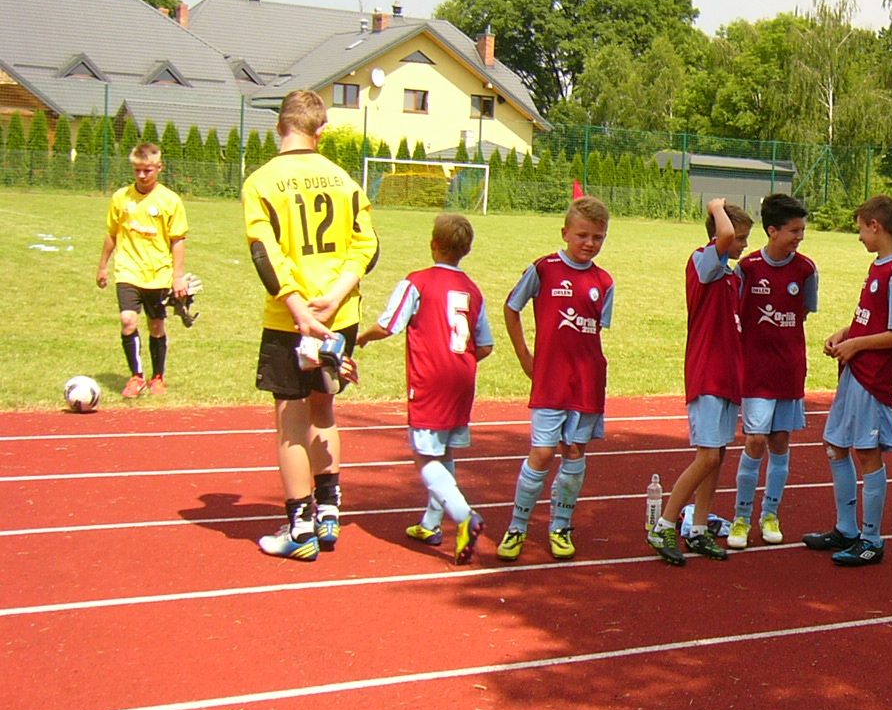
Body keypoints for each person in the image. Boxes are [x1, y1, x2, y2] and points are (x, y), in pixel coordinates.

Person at [242, 90, 379, 561]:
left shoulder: (261, 181)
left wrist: (299, 308)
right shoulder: (344, 179)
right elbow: (367, 247)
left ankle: (301, 529)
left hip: (290, 321)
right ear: (321, 131)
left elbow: (265, 253)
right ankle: (329, 515)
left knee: (290, 421)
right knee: (324, 410)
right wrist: (336, 295)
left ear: (279, 127)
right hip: (341, 316)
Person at [357, 213, 492, 563]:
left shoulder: (417, 282)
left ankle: (464, 516)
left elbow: (389, 324)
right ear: (467, 250)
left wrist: (362, 337)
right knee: (444, 452)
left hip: (431, 379)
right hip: (463, 378)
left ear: (433, 244)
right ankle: (431, 524)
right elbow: (486, 345)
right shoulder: (473, 289)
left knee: (424, 455)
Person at [802, 195, 892, 567]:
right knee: (835, 445)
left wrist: (857, 345)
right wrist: (845, 333)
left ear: (875, 226)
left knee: (867, 453)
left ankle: (871, 539)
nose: (860, 237)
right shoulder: (878, 267)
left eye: (861, 229)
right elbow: (871, 318)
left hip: (871, 377)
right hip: (854, 372)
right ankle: (846, 528)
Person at [501, 195, 615, 562]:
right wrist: (525, 356)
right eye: (582, 235)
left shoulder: (604, 281)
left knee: (575, 452)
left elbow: (593, 331)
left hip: (587, 381)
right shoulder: (544, 269)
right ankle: (517, 526)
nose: (589, 243)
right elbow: (511, 307)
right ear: (565, 232)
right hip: (551, 380)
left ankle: (561, 526)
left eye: (598, 237)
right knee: (542, 452)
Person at [647, 199, 753, 565]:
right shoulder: (703, 263)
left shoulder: (732, 277)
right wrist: (717, 208)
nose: (743, 245)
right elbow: (722, 234)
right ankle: (663, 524)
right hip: (707, 373)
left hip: (728, 375)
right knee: (706, 455)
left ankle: (698, 528)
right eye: (740, 238)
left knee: (717, 456)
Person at [732, 193, 818, 548]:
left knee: (780, 441)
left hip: (789, 369)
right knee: (755, 440)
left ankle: (771, 513)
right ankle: (740, 517)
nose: (800, 237)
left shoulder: (806, 270)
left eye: (802, 230)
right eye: (794, 230)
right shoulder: (748, 268)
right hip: (756, 371)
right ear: (772, 230)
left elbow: (804, 312)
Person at [96, 141, 190, 398]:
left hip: (158, 273)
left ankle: (157, 377)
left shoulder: (170, 201)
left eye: (147, 170)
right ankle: (136, 377)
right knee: (128, 320)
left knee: (156, 326)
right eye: (137, 170)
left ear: (159, 168)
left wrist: (178, 276)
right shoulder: (121, 198)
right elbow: (112, 233)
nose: (141, 175)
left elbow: (178, 239)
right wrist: (103, 266)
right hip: (127, 270)